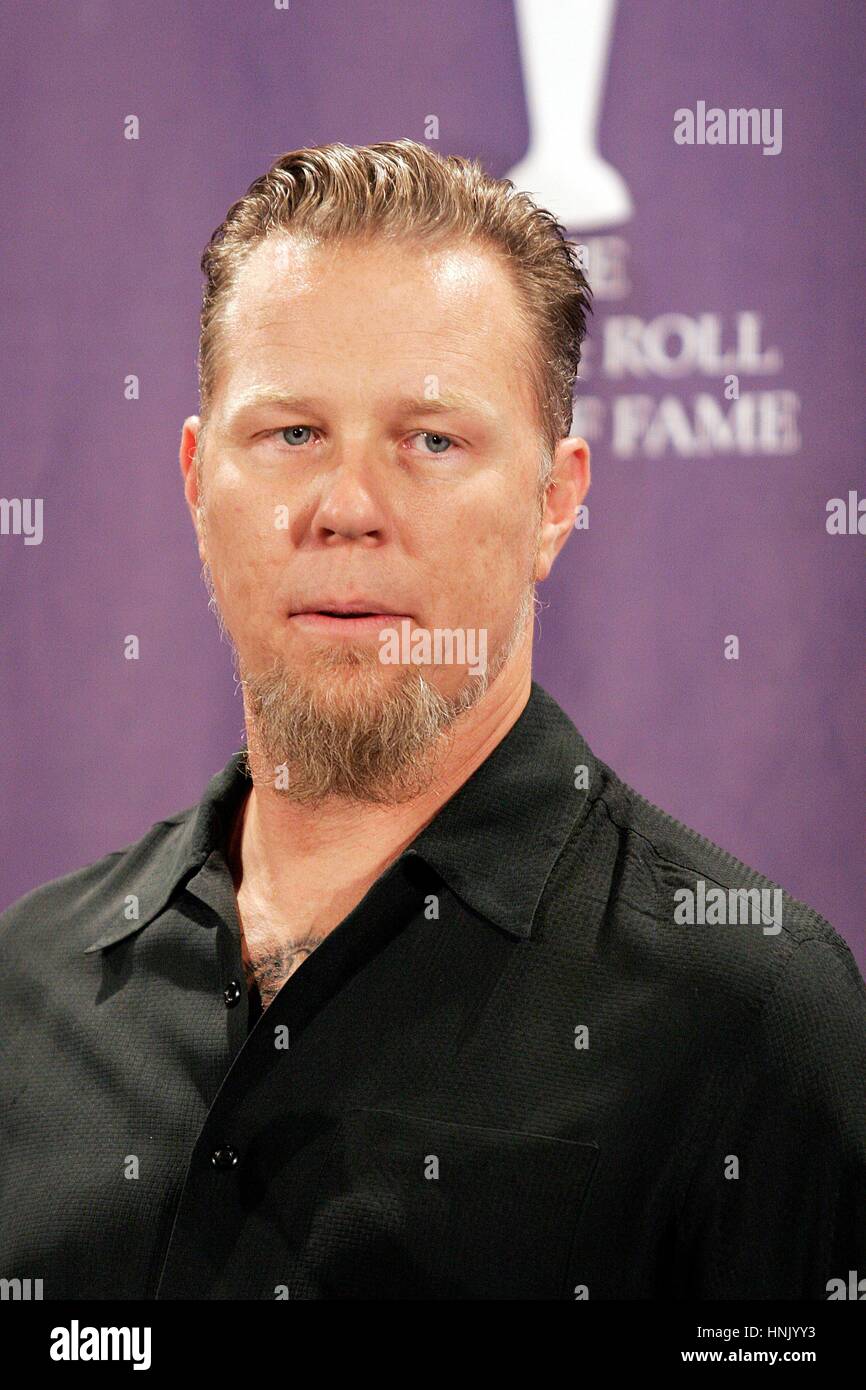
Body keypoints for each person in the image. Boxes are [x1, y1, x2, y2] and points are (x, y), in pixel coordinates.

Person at [1, 141, 863, 1301]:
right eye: (292, 434)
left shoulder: (755, 1022)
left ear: (556, 501)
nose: (348, 509)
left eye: (432, 441)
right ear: (199, 481)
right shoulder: (27, 987)